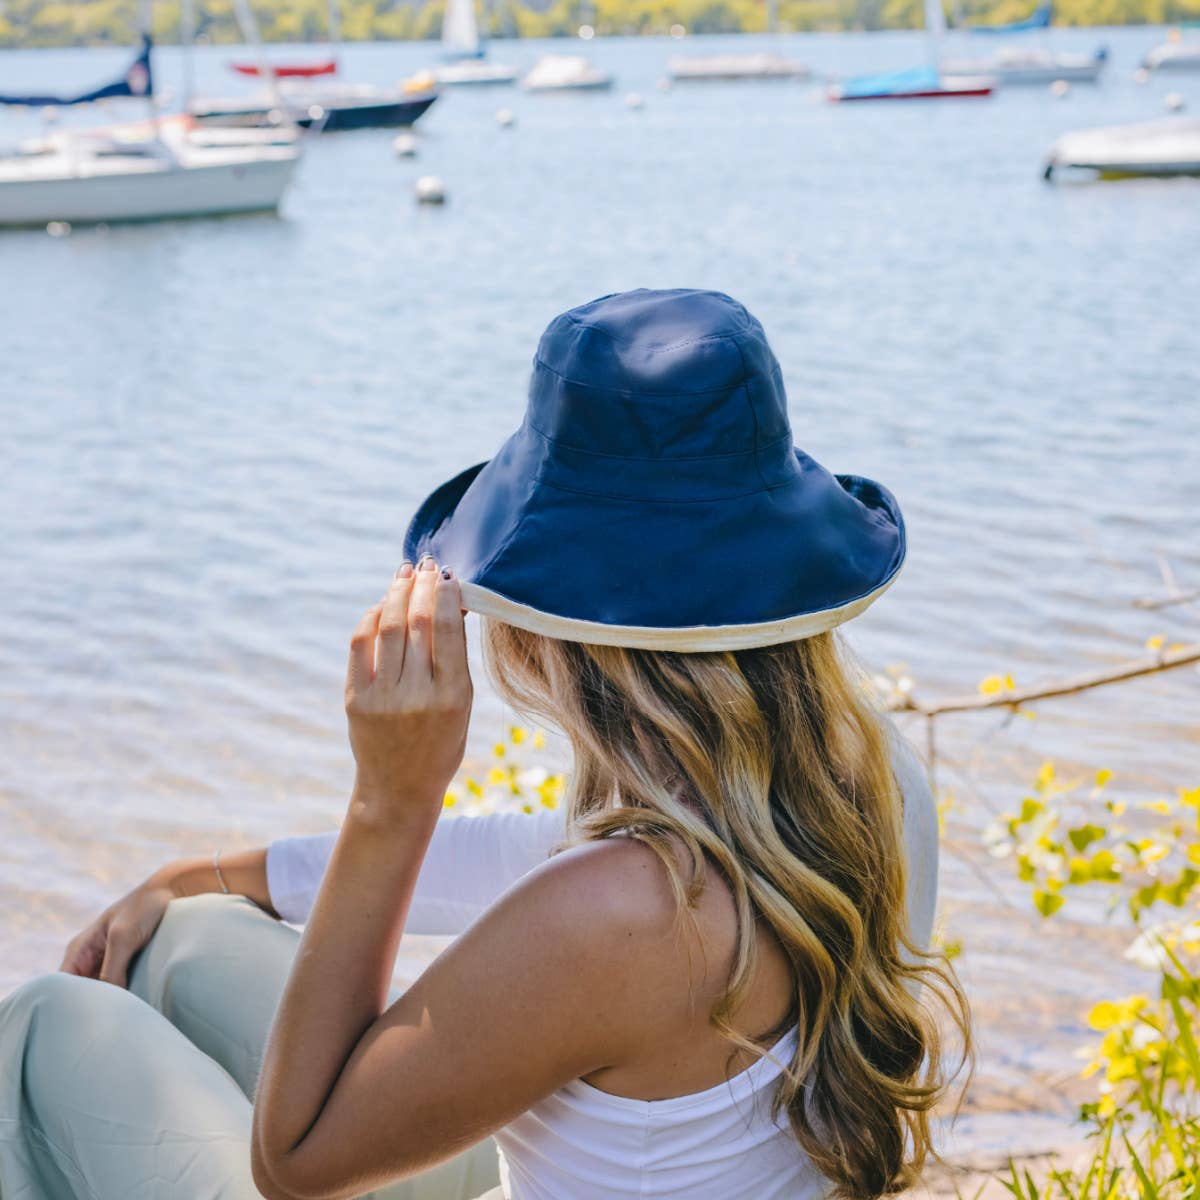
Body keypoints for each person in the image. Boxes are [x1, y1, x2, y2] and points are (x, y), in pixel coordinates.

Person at [0, 289, 969, 1200]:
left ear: (544, 617)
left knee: (53, 1026)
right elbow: (536, 866)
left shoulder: (619, 915)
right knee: (189, 941)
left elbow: (296, 1164)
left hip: (324, 1150)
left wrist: (394, 798)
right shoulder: (863, 773)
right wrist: (198, 875)